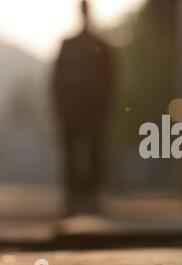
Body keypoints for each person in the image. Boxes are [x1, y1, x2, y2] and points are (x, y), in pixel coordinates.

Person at [53, 0, 114, 217]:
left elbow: (110, 80)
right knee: (72, 153)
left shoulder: (99, 45)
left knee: (93, 152)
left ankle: (88, 196)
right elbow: (57, 79)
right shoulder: (70, 44)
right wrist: (59, 106)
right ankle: (75, 197)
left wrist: (107, 107)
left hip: (92, 109)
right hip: (73, 109)